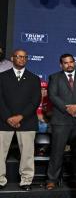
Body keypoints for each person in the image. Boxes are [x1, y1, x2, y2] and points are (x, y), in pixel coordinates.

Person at [46, 54, 76, 189]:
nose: (69, 64)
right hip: (61, 121)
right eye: (66, 63)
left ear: (75, 63)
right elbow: (52, 95)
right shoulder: (54, 77)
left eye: (71, 62)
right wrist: (68, 109)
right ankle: (52, 180)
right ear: (61, 65)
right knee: (57, 152)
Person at [0, 49, 40, 190]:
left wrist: (20, 117)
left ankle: (26, 180)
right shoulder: (2, 77)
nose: (22, 59)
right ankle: (0, 180)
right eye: (18, 57)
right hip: (4, 121)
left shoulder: (34, 78)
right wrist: (8, 118)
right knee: (0, 152)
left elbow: (35, 101)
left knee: (27, 154)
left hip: (26, 121)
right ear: (12, 58)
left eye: (24, 57)